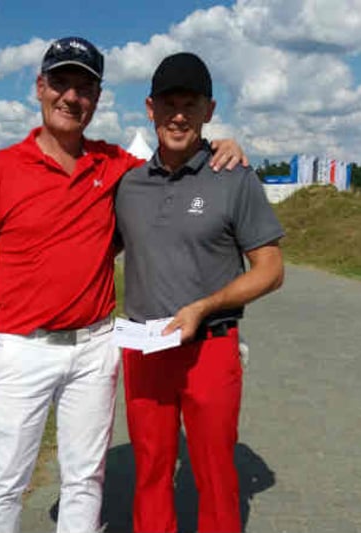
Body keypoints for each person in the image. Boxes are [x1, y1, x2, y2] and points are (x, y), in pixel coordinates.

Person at [0, 37, 246, 533]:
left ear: (98, 99)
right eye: (61, 83)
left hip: (95, 346)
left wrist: (222, 145)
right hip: (23, 346)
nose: (71, 97)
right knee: (4, 480)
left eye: (85, 88)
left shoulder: (114, 167)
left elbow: (174, 156)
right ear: (40, 88)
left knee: (85, 478)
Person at [114, 52, 284, 533]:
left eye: (192, 104)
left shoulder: (235, 178)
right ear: (150, 108)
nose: (179, 116)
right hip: (145, 349)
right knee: (149, 471)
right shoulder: (128, 183)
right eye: (169, 104)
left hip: (209, 346)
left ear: (209, 111)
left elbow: (271, 270)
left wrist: (205, 306)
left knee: (214, 474)